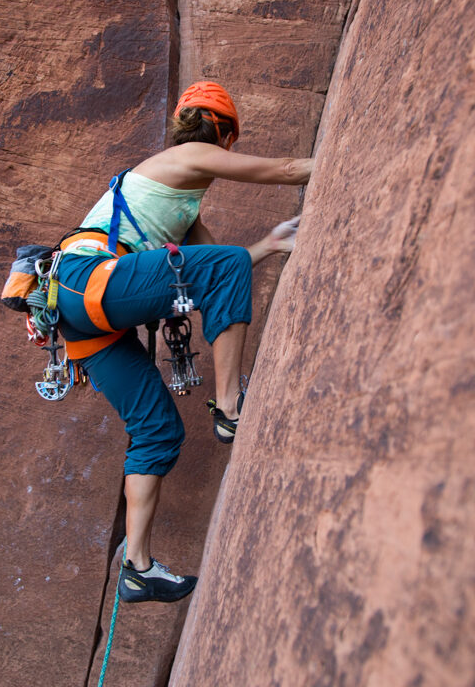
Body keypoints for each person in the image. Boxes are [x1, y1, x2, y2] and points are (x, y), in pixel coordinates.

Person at [55, 82, 312, 603]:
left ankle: (137, 567)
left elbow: (218, 270)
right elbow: (287, 170)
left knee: (157, 432)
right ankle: (231, 407)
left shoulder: (182, 202)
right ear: (225, 134)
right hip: (90, 280)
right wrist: (352, 151)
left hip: (79, 311)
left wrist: (270, 244)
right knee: (224, 267)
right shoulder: (190, 155)